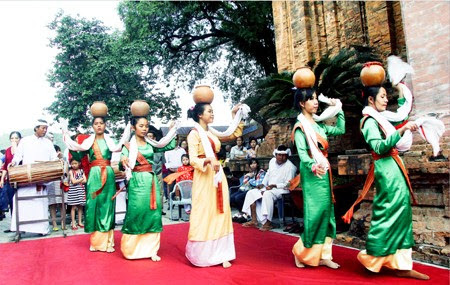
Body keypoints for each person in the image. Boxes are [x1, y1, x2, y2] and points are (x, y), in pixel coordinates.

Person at [342, 85, 429, 280]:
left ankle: (402, 264)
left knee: (402, 212)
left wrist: (401, 95)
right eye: (382, 96)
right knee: (387, 214)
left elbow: (400, 119)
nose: (385, 99)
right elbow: (379, 147)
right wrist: (402, 130)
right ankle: (371, 258)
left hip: (395, 166)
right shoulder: (369, 122)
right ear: (371, 100)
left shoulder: (382, 119)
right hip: (386, 170)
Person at [186, 101, 245, 268]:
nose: (212, 114)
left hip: (217, 176)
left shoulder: (211, 133)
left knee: (221, 211)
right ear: (199, 115)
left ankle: (222, 254)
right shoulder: (194, 134)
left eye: (213, 111)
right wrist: (208, 160)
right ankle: (203, 254)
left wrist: (235, 116)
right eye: (209, 111)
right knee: (205, 212)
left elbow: (232, 135)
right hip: (204, 177)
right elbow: (192, 159)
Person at [291, 88, 345, 269]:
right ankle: (301, 253)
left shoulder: (320, 125)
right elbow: (302, 155)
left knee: (327, 213)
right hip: (312, 173)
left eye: (316, 99)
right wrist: (313, 166)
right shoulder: (300, 128)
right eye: (311, 99)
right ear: (301, 103)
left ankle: (324, 255)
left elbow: (341, 129)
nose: (316, 102)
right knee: (314, 214)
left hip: (325, 172)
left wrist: (338, 108)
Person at [63, 109, 130, 253]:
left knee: (107, 204)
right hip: (94, 175)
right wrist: (67, 138)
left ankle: (108, 242)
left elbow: (119, 148)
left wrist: (127, 131)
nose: (99, 126)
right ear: (92, 126)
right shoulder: (88, 142)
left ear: (105, 125)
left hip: (108, 173)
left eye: (101, 123)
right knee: (93, 203)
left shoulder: (110, 140)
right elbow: (78, 153)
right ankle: (95, 242)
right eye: (96, 124)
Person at [120, 116, 176, 260]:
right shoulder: (127, 146)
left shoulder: (151, 143)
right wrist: (123, 160)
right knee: (136, 211)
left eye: (146, 126)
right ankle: (132, 250)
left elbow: (169, 146)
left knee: (153, 212)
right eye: (141, 126)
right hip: (137, 182)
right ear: (133, 128)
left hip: (151, 181)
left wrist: (171, 131)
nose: (144, 129)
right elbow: (122, 161)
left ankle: (151, 250)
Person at [9, 120, 58, 234]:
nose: (45, 130)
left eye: (46, 128)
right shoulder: (25, 141)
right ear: (36, 128)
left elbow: (53, 158)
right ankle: (20, 228)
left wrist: (57, 161)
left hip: (42, 178)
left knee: (40, 204)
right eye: (43, 128)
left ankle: (41, 229)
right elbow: (18, 156)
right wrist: (14, 162)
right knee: (21, 202)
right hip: (27, 178)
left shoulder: (48, 142)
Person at [241, 145, 296, 231]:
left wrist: (275, 186)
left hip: (282, 190)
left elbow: (289, 184)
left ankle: (268, 223)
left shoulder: (291, 167)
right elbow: (268, 174)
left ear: (287, 155)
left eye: (284, 155)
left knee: (267, 194)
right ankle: (254, 220)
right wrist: (263, 184)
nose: (281, 157)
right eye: (279, 155)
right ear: (275, 155)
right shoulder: (272, 161)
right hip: (269, 187)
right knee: (251, 193)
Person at [0, 131, 22, 225]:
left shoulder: (22, 149)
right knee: (12, 201)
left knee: (20, 201)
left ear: (20, 139)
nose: (14, 140)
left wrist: (17, 149)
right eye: (12, 138)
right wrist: (2, 179)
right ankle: (14, 225)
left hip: (21, 178)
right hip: (10, 180)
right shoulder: (8, 150)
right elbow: (5, 167)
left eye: (16, 138)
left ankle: (22, 224)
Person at [47, 145, 66, 231]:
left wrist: (61, 160)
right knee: (52, 203)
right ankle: (54, 223)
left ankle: (63, 222)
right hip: (50, 182)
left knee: (62, 203)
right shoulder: (47, 160)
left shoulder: (63, 160)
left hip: (60, 182)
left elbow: (65, 171)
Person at [67, 158, 86, 230]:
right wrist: (80, 179)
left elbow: (85, 181)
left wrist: (78, 181)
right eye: (72, 164)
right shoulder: (71, 171)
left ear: (79, 163)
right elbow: (73, 181)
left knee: (80, 206)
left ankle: (80, 221)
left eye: (75, 163)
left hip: (80, 190)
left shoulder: (81, 171)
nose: (74, 165)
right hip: (73, 191)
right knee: (73, 207)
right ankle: (73, 223)